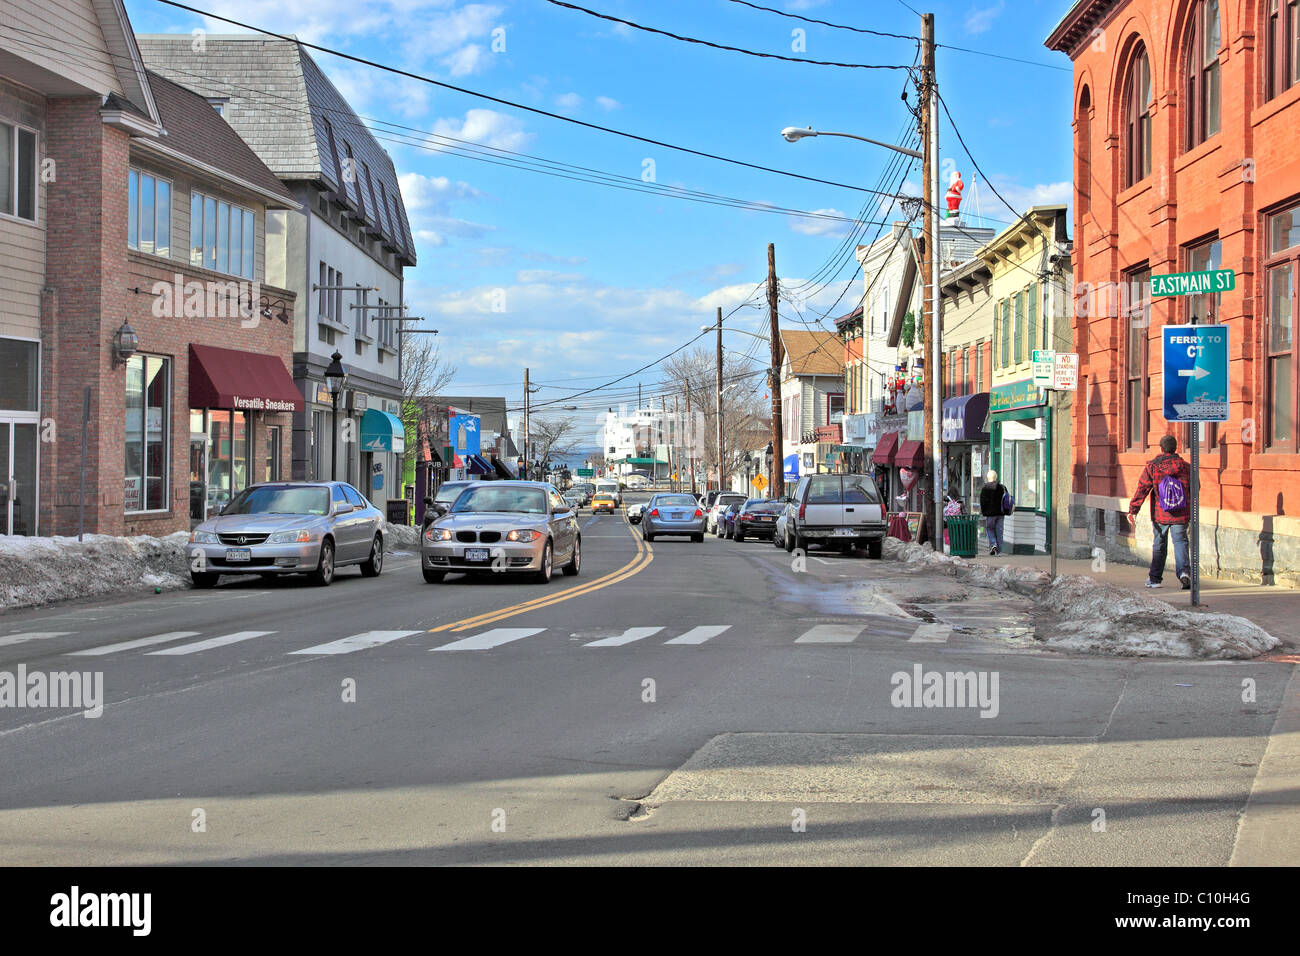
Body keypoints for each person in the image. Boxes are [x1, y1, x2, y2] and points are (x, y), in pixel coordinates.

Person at [1128, 434, 1192, 589]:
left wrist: (1133, 509)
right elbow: (1195, 487)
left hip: (1160, 513)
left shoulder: (1153, 467)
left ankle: (1155, 579)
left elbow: (1142, 488)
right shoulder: (1186, 467)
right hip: (1181, 512)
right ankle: (1184, 573)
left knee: (1159, 545)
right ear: (1176, 448)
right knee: (1181, 542)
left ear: (1161, 448)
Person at [978, 470, 1008, 555]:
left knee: (989, 528)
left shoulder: (985, 488)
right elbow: (1006, 499)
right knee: (999, 531)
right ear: (996, 477)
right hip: (1001, 513)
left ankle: (993, 543)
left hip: (990, 514)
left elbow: (982, 501)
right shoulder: (1002, 487)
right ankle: (999, 551)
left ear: (988, 478)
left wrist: (983, 512)